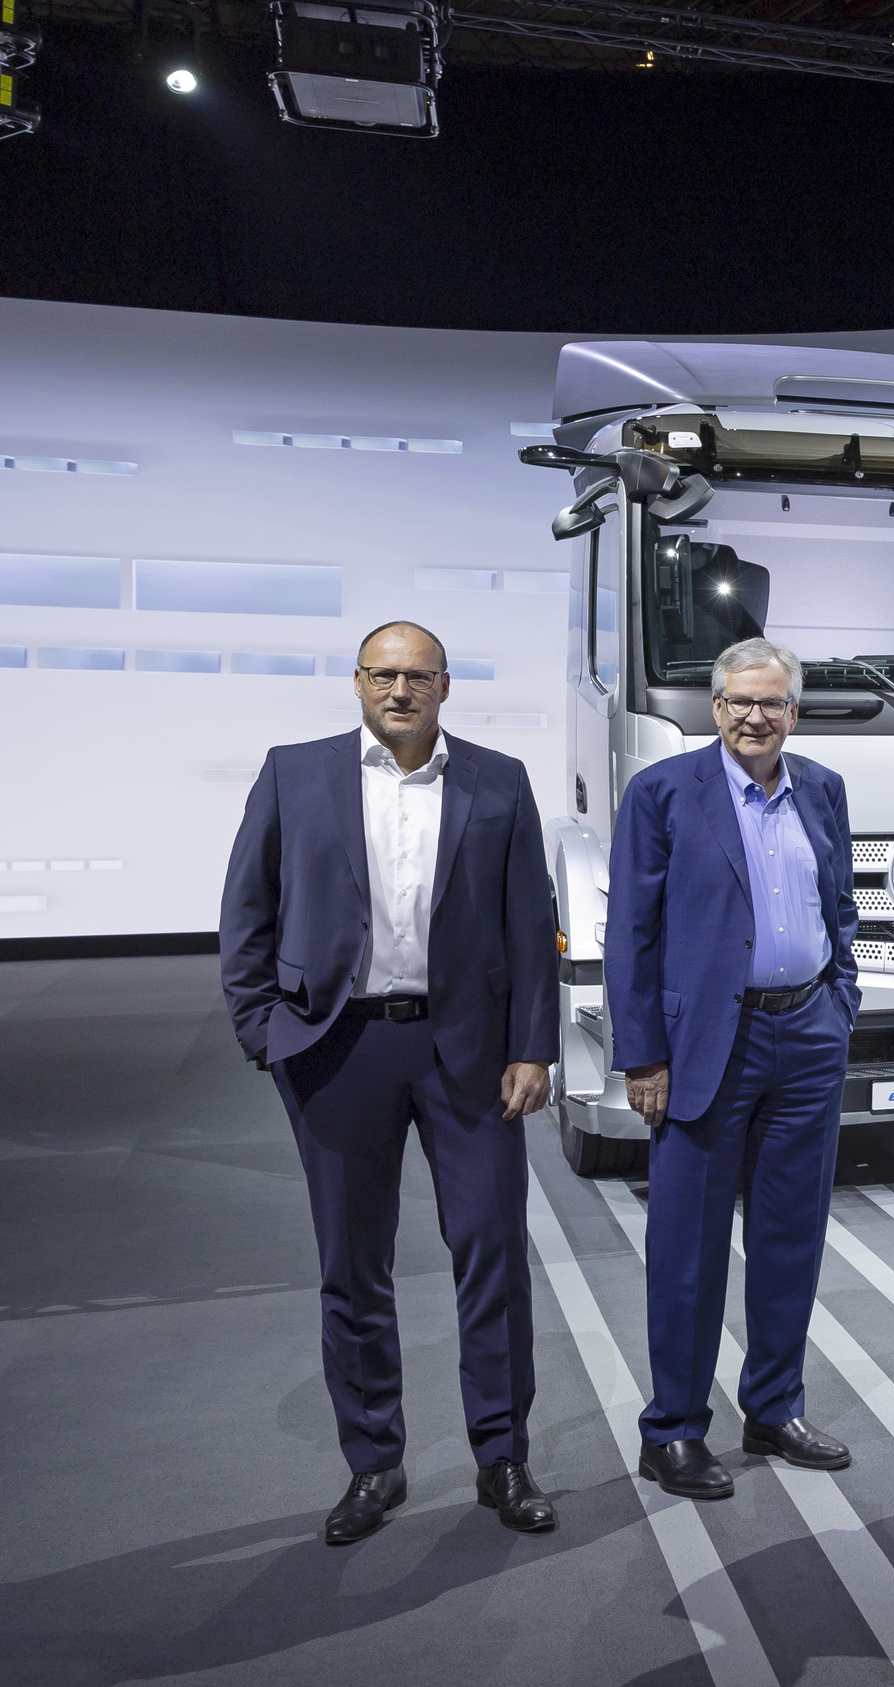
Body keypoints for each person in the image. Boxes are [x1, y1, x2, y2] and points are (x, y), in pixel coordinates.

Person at [217, 621, 560, 1544]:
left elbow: (531, 923)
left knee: (492, 1253)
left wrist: (534, 1046)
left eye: (416, 675)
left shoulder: (499, 779)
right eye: (382, 674)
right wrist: (263, 1030)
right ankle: (373, 1463)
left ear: (445, 685)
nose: (399, 689)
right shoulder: (295, 772)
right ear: (358, 682)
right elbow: (246, 908)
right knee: (352, 1264)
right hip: (338, 1049)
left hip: (471, 1054)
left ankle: (503, 1455)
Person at [607, 636, 862, 1501]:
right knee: (688, 1246)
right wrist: (641, 1052)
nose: (756, 716)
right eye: (740, 702)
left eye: (774, 703)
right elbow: (630, 935)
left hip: (808, 1038)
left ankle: (774, 1406)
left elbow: (841, 907)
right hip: (706, 1048)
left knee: (792, 1237)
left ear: (795, 711)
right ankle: (673, 1429)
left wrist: (841, 1003)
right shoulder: (663, 794)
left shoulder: (822, 790)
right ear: (715, 708)